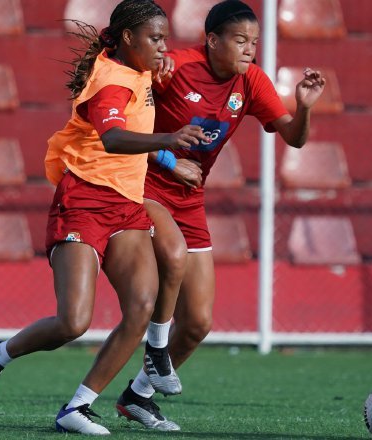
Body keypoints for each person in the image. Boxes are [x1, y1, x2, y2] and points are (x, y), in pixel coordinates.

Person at [0, 0, 208, 434]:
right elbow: (114, 138)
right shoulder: (111, 81)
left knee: (140, 307)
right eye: (154, 38)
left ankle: (78, 407)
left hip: (128, 205)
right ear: (129, 38)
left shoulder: (139, 65)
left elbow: (145, 95)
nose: (162, 47)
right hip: (84, 202)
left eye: (164, 38)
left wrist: (167, 160)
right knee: (73, 322)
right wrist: (171, 141)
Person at [115, 0, 326, 430]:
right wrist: (170, 160)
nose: (249, 50)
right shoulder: (175, 67)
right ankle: (152, 349)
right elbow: (125, 122)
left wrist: (304, 108)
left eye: (254, 42)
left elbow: (295, 138)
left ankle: (137, 396)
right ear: (212, 40)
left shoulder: (251, 81)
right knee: (170, 258)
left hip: (190, 200)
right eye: (240, 40)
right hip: (144, 187)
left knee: (198, 323)